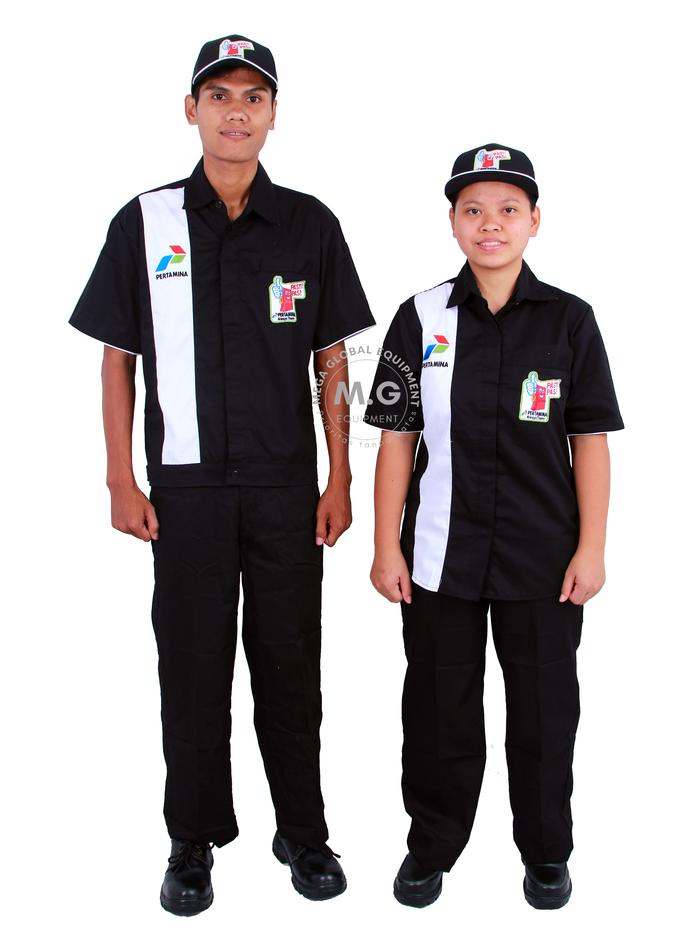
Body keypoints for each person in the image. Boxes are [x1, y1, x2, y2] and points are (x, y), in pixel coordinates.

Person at [69, 34, 375, 915]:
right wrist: (119, 478)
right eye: (220, 95)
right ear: (191, 109)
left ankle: (303, 831)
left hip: (285, 490)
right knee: (193, 668)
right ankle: (192, 838)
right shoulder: (145, 221)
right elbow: (118, 358)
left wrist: (339, 477)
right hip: (187, 490)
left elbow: (332, 357)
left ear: (274, 113)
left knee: (291, 664)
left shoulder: (310, 224)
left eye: (253, 97)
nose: (236, 112)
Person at [363, 144, 624, 909]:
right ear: (452, 222)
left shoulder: (570, 320)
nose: (491, 224)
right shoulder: (421, 317)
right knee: (438, 709)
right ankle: (431, 845)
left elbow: (590, 440)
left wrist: (592, 547)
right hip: (437, 557)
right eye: (473, 209)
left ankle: (545, 851)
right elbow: (397, 438)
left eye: (508, 209)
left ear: (535, 221)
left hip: (545, 562)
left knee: (544, 713)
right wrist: (385, 545)